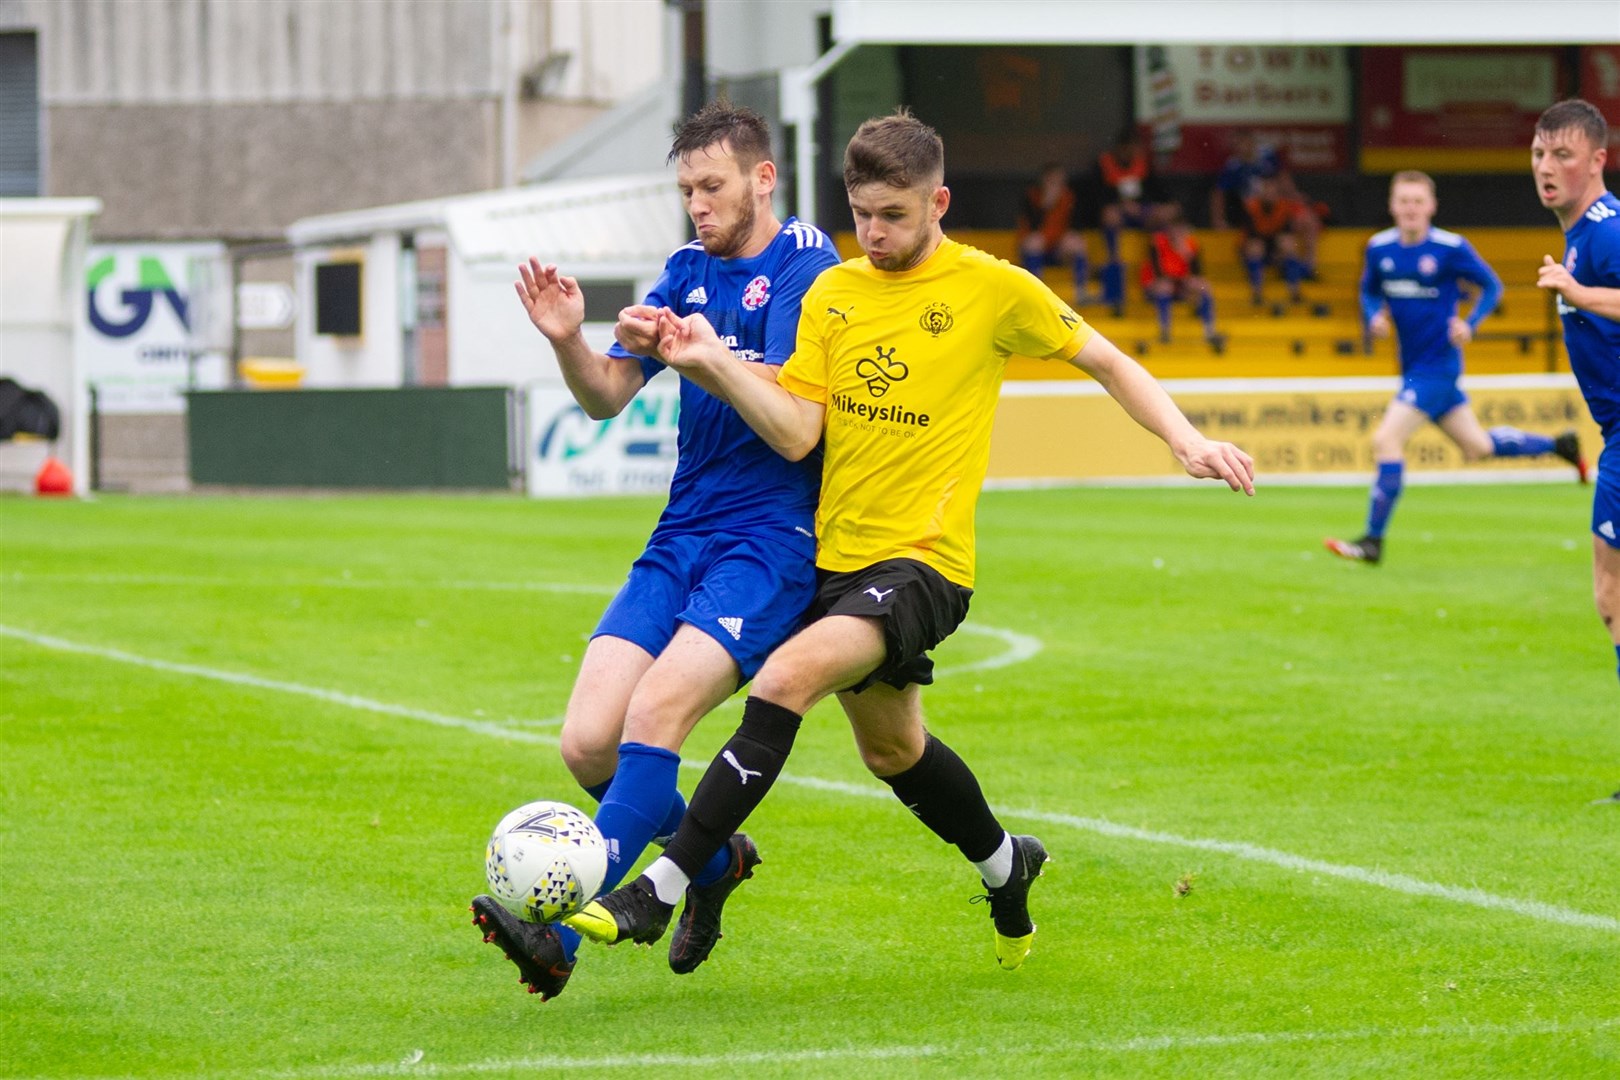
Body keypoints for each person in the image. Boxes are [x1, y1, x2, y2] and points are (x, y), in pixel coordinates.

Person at [565, 109, 1256, 971]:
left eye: (894, 215)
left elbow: (1108, 361)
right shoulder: (835, 293)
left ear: (939, 202)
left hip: (925, 562)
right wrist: (699, 359)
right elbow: (792, 425)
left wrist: (1185, 440)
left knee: (784, 679)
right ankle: (1008, 866)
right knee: (894, 751)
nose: (875, 234)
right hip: (836, 557)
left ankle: (660, 887)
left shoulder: (993, 288)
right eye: (862, 215)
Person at [469, 102, 841, 997]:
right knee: (588, 743)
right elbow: (604, 397)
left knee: (655, 716)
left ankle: (558, 936)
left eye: (711, 187)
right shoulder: (684, 270)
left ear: (764, 178)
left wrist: (701, 354)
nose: (697, 207)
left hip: (770, 539)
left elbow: (797, 429)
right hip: (682, 531)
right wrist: (568, 339)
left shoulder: (811, 269)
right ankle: (716, 866)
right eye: (685, 191)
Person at [1326, 170, 1585, 567]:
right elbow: (1368, 290)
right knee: (1476, 447)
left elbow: (1492, 285)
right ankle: (1559, 445)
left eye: (1418, 201)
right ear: (1393, 206)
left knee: (1385, 441)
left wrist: (1470, 323)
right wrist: (1373, 314)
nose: (1411, 209)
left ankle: (1373, 541)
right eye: (1403, 201)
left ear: (1431, 206)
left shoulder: (1449, 247)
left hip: (1438, 368)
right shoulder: (1379, 248)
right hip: (1413, 367)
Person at [1529, 98, 1620, 799]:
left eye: (1563, 154)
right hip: (1614, 436)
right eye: (1538, 154)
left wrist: (1579, 292)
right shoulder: (1580, 242)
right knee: (1611, 596)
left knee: (1613, 595)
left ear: (1598, 160)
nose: (1547, 167)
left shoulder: (1607, 231)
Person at [1095, 130, 1169, 316]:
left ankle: (1158, 258)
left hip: (1141, 212)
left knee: (1161, 215)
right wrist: (1122, 205)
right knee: (1110, 215)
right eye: (1131, 148)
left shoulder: (1144, 164)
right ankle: (1114, 255)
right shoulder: (1104, 164)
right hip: (1118, 212)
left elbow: (1157, 192)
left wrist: (1145, 207)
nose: (1134, 152)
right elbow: (1098, 197)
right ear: (1122, 148)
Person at [1140, 207, 1221, 350]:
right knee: (1165, 286)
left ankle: (1210, 332)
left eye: (1182, 230)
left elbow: (1197, 273)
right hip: (1155, 285)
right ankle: (1164, 330)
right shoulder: (1158, 242)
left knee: (1203, 286)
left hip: (1179, 284)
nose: (1179, 233)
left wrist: (1188, 256)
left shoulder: (1190, 245)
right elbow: (1158, 271)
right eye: (1175, 230)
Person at [1016, 162, 1093, 308]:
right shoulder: (1032, 196)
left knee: (1077, 242)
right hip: (1035, 250)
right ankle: (1035, 293)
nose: (1056, 185)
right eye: (1052, 181)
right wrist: (1046, 205)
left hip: (1058, 249)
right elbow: (1031, 228)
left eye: (1059, 181)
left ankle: (1081, 292)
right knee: (1034, 241)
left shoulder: (1068, 197)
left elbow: (1076, 226)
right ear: (1044, 180)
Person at [1240, 174, 1310, 307]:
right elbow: (1250, 235)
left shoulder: (1284, 207)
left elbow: (1287, 232)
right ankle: (1257, 294)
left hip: (1276, 248)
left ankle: (1295, 292)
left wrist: (1279, 252)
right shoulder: (1251, 207)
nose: (1269, 195)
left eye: (1272, 192)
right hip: (1254, 247)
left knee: (1288, 243)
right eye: (1266, 191)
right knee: (1255, 246)